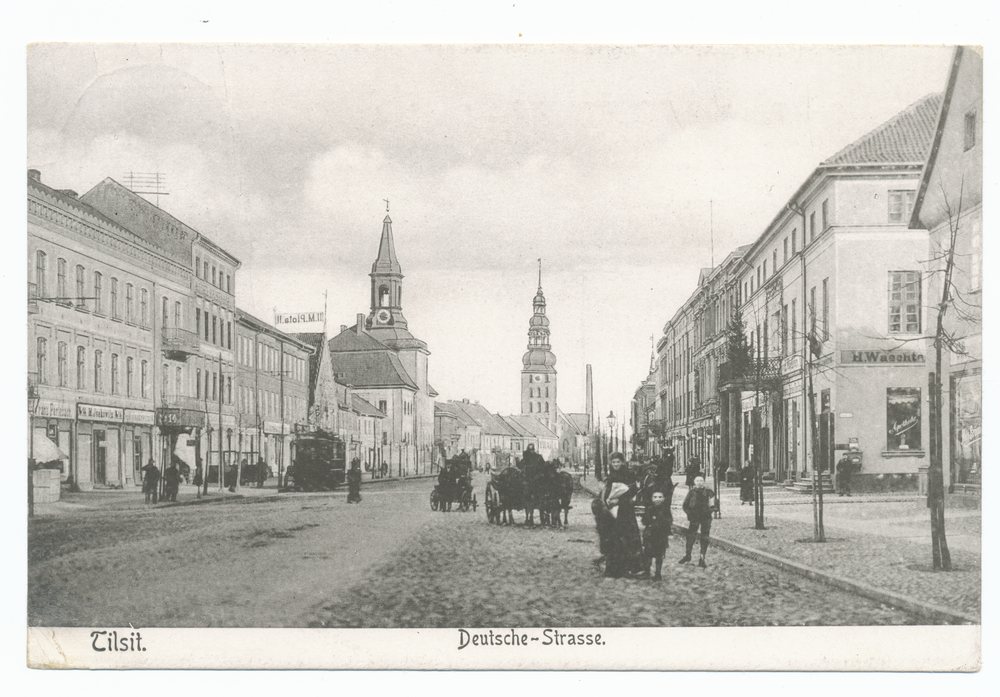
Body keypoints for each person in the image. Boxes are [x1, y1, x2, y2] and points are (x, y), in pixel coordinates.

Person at [601, 452, 644, 578]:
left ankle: (632, 567)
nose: (616, 464)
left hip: (626, 511)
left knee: (628, 538)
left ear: (622, 462)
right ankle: (615, 569)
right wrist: (608, 500)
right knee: (614, 539)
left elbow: (633, 491)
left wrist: (619, 500)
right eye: (613, 462)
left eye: (618, 462)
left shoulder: (629, 475)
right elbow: (607, 491)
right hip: (613, 511)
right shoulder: (610, 476)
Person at [680, 475, 717, 568]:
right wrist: (690, 514)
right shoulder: (692, 492)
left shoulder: (709, 492)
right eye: (697, 481)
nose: (699, 482)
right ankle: (688, 555)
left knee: (705, 537)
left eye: (701, 480)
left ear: (704, 482)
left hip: (706, 517)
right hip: (694, 517)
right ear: (694, 482)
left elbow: (714, 504)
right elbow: (685, 505)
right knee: (691, 536)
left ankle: (702, 558)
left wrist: (710, 511)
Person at [641, 490, 672, 580]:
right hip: (650, 535)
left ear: (664, 499)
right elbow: (644, 521)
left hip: (661, 536)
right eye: (655, 497)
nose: (657, 499)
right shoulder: (650, 508)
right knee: (648, 554)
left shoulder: (666, 510)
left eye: (660, 497)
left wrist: (668, 532)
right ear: (651, 499)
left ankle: (658, 574)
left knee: (659, 555)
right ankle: (646, 572)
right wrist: (649, 520)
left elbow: (668, 522)